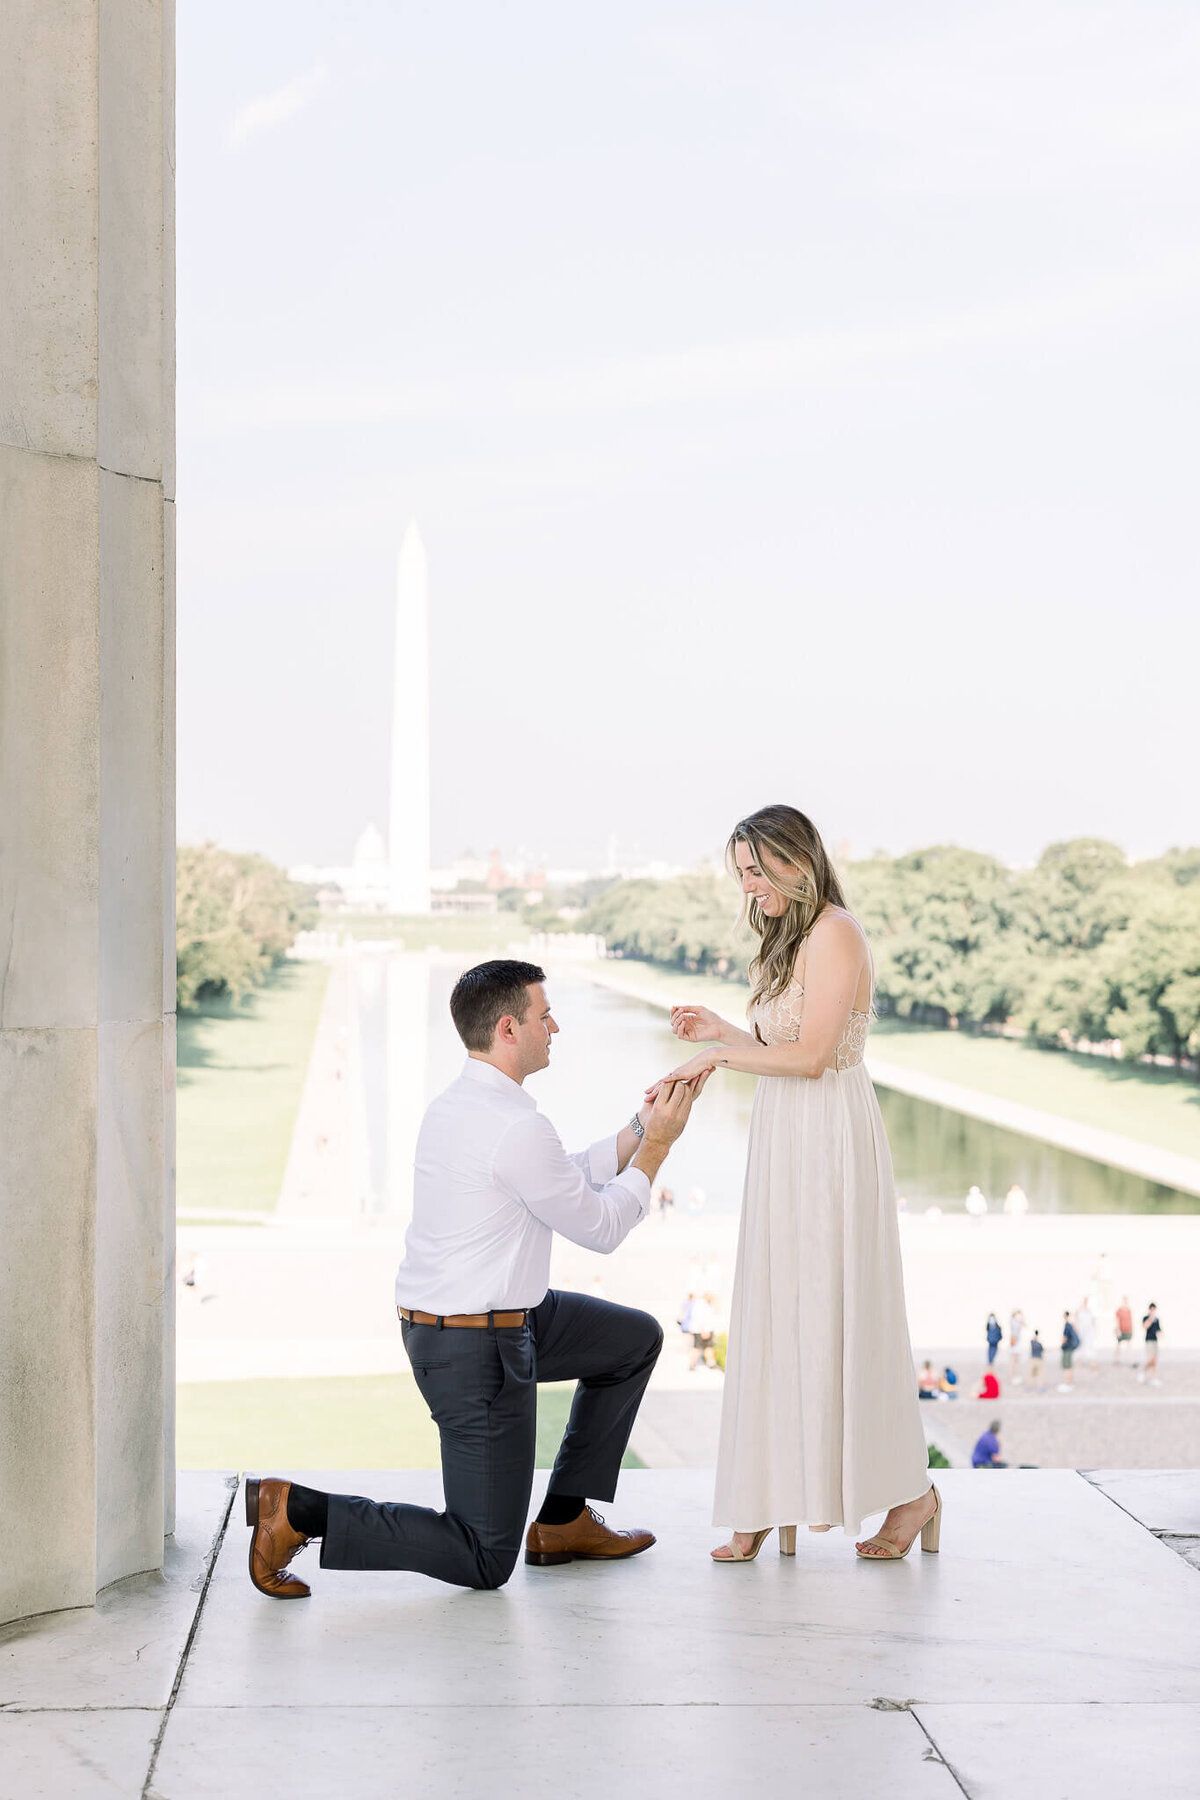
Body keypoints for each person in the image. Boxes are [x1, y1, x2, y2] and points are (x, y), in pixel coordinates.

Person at [244, 958, 707, 1598]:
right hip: (475, 1346)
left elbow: (559, 1175)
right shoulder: (515, 1126)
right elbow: (600, 1228)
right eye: (546, 1016)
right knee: (483, 1557)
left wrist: (638, 1123)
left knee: (631, 1340)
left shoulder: (465, 1105)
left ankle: (566, 1517)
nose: (557, 1027)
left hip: (502, 1319)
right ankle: (298, 1511)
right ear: (511, 1029)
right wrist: (658, 1147)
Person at [655, 805, 939, 1565]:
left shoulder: (837, 931)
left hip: (831, 1139)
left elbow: (814, 1057)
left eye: (755, 870)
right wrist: (721, 1031)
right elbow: (779, 1048)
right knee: (776, 1311)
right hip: (785, 1137)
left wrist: (718, 1059)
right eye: (740, 873)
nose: (747, 886)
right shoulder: (789, 938)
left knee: (839, 1315)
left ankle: (912, 1496)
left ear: (795, 860)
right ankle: (763, 1496)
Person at [1139, 1304, 1163, 1385]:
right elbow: (1145, 1326)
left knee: (1155, 1361)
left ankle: (1153, 1378)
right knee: (1151, 1359)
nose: (1153, 1311)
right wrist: (1150, 1319)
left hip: (1155, 1341)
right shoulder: (1146, 1318)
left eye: (1154, 1309)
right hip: (1149, 1340)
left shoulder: (1157, 1319)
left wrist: (1162, 1334)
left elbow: (1158, 1330)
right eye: (1151, 1309)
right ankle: (1142, 1371)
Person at [1058, 1310, 1080, 1391]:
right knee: (1070, 1365)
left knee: (1067, 1366)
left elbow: (1065, 1337)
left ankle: (1068, 1382)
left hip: (1067, 1348)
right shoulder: (1071, 1325)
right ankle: (1070, 1381)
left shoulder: (1067, 1325)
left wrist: (1061, 1345)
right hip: (1070, 1348)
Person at [1075, 1298, 1098, 1369]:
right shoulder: (1079, 1310)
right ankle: (1079, 1362)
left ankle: (1092, 1362)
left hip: (1089, 1331)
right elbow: (1076, 1319)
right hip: (1081, 1330)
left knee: (1089, 1345)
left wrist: (1095, 1330)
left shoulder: (1090, 1309)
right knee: (1080, 1346)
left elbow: (1093, 1320)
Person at [1008, 1308, 1026, 1384]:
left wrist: (1021, 1317)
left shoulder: (1016, 1321)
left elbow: (1024, 1324)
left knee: (1016, 1360)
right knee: (1013, 1360)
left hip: (1017, 1341)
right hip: (1014, 1341)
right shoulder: (1013, 1321)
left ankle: (1014, 1376)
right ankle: (1012, 1376)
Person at [1115, 1295, 1134, 1363]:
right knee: (1118, 1345)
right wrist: (1118, 1330)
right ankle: (1117, 1360)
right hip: (1121, 1330)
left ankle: (1131, 1360)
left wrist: (1132, 1329)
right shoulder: (1119, 1310)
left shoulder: (1129, 1310)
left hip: (1128, 1330)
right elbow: (1117, 1320)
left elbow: (1130, 1320)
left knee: (1129, 1345)